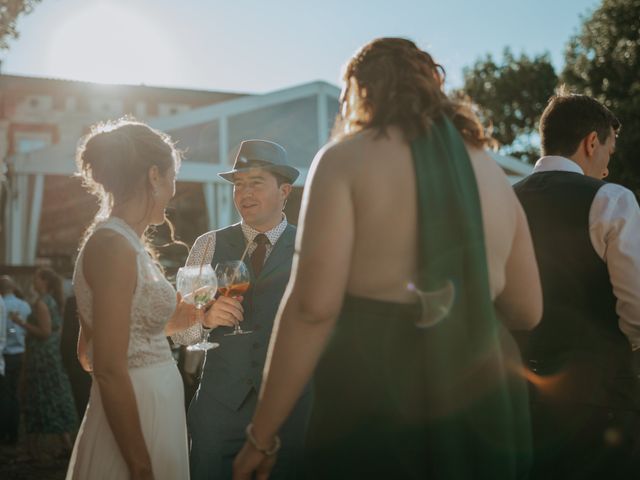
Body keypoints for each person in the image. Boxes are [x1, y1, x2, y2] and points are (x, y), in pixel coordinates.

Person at [233, 37, 542, 480]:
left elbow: (312, 309)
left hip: (377, 404)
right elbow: (529, 309)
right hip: (482, 405)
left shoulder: (344, 160)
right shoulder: (493, 174)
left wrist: (261, 437)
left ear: (360, 93)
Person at [65, 119, 218, 480]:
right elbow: (102, 363)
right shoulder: (112, 246)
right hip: (137, 415)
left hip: (154, 405)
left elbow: (101, 345)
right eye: (172, 178)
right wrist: (139, 463)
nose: (173, 190)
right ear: (154, 176)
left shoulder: (126, 243)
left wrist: (193, 316)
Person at [512, 92, 640, 478]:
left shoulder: (503, 200)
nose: (605, 169)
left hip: (522, 401)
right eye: (608, 153)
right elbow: (636, 309)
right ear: (591, 142)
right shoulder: (612, 199)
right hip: (602, 404)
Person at [172, 139, 313, 479]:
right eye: (238, 184)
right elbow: (179, 332)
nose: (244, 193)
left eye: (255, 183)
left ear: (284, 191)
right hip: (218, 416)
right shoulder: (207, 244)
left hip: (290, 415)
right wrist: (203, 319)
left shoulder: (311, 246)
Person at [18, 268, 77, 461]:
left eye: (36, 278)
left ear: (44, 281)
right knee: (53, 394)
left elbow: (45, 331)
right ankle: (65, 444)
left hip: (42, 357)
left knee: (38, 395)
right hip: (51, 355)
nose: (33, 281)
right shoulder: (53, 300)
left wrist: (20, 322)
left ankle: (33, 448)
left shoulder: (42, 303)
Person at [0, 275, 32, 446]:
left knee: (4, 395)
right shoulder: (24, 305)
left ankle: (4, 432)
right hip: (19, 353)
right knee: (14, 394)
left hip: (5, 354)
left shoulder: (2, 305)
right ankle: (13, 432)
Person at [60, 295, 91, 418]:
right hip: (80, 360)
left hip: (78, 361)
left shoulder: (75, 300)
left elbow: (67, 336)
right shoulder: (73, 301)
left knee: (83, 401)